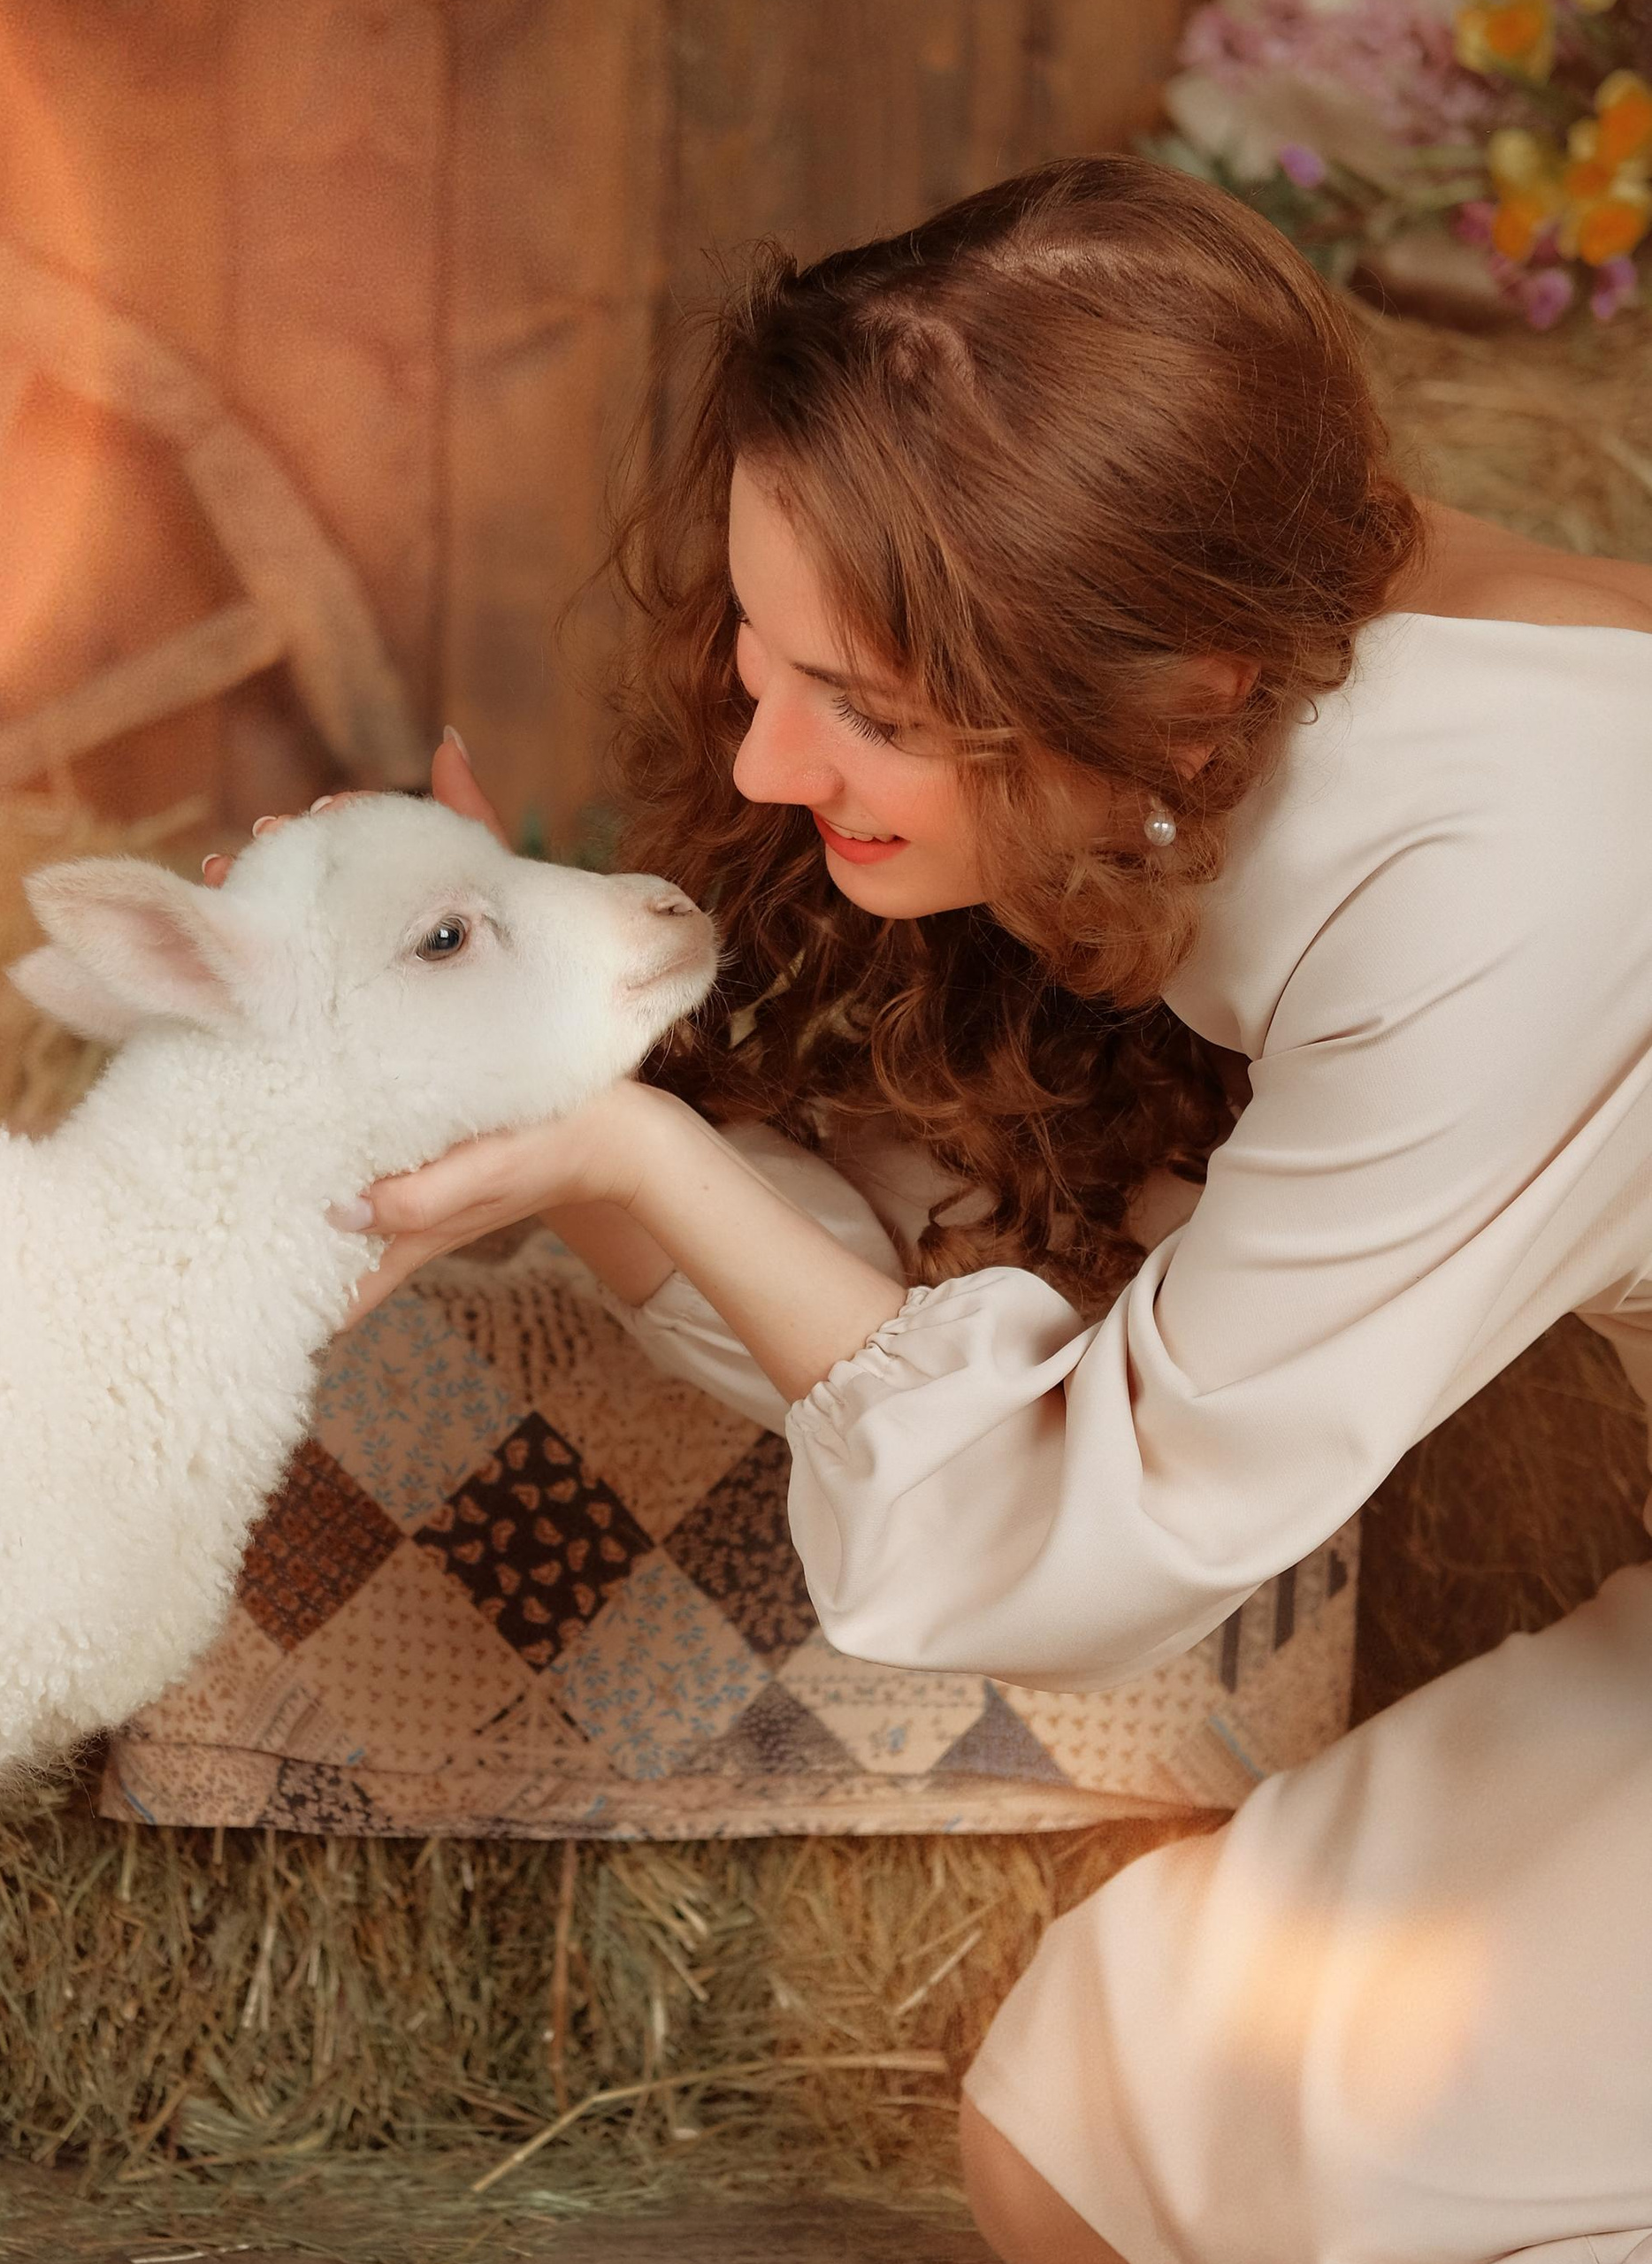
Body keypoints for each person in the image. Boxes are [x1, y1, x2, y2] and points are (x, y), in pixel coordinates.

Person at [205, 153, 1652, 2263]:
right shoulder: (1233, 621)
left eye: (864, 709)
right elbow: (954, 1269)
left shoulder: (1508, 869)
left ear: (1147, 695)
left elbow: (1100, 1512)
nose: (774, 762)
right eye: (760, 657)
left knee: (1289, 2159)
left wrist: (630, 1154)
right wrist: (563, 1056)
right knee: (1108, 2100)